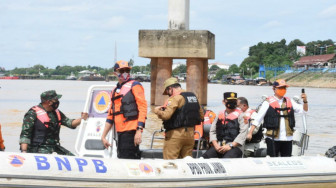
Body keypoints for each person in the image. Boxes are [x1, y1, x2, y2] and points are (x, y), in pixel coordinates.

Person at [101, 60, 147, 159]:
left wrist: (139, 130)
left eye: (127, 70)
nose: (125, 73)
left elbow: (143, 108)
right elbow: (110, 116)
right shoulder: (114, 91)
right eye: (121, 71)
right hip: (120, 133)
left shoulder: (135, 85)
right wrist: (103, 136)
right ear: (115, 73)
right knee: (121, 157)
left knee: (130, 159)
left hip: (131, 131)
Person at [19, 90, 88, 155]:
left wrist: (82, 118)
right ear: (49, 102)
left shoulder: (56, 112)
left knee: (73, 158)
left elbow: (70, 123)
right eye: (56, 100)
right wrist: (24, 152)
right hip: (38, 148)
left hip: (55, 147)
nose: (57, 102)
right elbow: (25, 134)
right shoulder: (32, 113)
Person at [251, 79, 308, 157]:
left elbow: (304, 111)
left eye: (284, 88)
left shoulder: (290, 101)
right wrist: (250, 132)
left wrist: (305, 101)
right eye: (280, 88)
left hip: (287, 138)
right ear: (274, 89)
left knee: (286, 158)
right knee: (272, 158)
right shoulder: (267, 102)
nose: (283, 90)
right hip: (273, 138)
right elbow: (258, 119)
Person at [154, 77, 204, 159]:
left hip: (175, 135)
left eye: (167, 92)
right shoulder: (193, 97)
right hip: (191, 135)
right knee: (187, 161)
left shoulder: (176, 98)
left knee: (170, 162)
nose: (168, 94)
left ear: (170, 88)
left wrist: (157, 111)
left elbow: (166, 116)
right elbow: (201, 116)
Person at [202, 92, 248, 158]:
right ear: (224, 102)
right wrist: (216, 145)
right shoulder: (219, 114)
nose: (232, 102)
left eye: (234, 101)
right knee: (205, 157)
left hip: (235, 147)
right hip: (219, 146)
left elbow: (243, 133)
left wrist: (230, 146)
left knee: (227, 158)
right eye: (229, 101)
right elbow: (212, 131)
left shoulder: (242, 115)